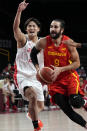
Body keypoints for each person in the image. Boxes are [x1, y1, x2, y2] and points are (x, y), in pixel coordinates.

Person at [30, 19, 87, 129]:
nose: (52, 29)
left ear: (62, 30)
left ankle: (83, 101)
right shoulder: (44, 42)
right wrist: (37, 69)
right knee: (66, 109)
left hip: (69, 76)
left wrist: (61, 69)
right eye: (51, 26)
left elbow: (77, 63)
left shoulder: (69, 43)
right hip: (53, 81)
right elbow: (33, 54)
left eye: (56, 27)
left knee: (75, 101)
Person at [13, 0, 44, 131]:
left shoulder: (43, 43)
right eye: (29, 26)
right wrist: (19, 11)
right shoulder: (23, 40)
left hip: (36, 77)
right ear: (26, 29)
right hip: (22, 75)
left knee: (40, 106)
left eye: (34, 26)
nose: (31, 28)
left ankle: (31, 114)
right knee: (32, 96)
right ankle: (36, 127)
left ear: (38, 29)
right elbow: (15, 29)